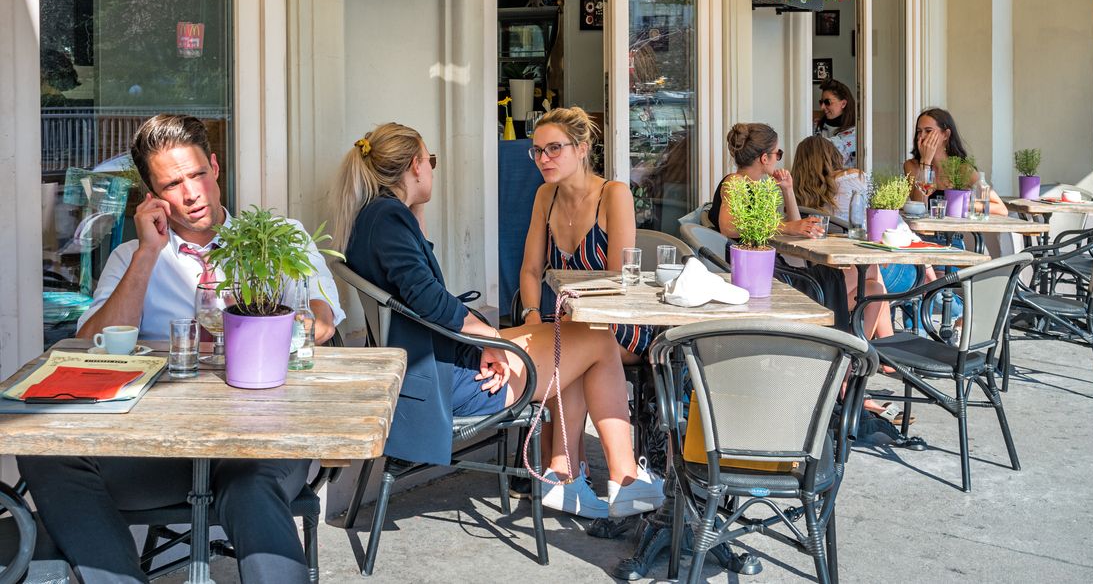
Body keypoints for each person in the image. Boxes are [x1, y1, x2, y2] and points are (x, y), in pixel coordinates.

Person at [19, 114, 345, 584]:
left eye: (197, 174)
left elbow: (323, 321)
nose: (192, 193)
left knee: (249, 487)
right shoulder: (131, 257)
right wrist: (148, 253)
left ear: (215, 167)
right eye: (173, 184)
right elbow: (90, 343)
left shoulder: (278, 238)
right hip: (164, 450)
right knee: (44, 453)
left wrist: (255, 323)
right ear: (152, 196)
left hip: (261, 445)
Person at [335, 122, 665, 521]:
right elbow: (425, 295)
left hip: (435, 362)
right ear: (416, 166)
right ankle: (623, 479)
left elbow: (419, 288)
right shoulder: (389, 219)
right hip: (448, 379)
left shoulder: (377, 216)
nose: (433, 170)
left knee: (575, 340)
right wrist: (488, 337)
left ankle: (564, 475)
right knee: (595, 340)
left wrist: (416, 206)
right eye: (430, 161)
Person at [517, 107, 640, 518]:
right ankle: (599, 477)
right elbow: (531, 270)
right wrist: (532, 315)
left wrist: (564, 324)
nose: (543, 158)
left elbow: (620, 279)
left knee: (577, 345)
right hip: (563, 322)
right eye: (537, 151)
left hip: (618, 323)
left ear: (583, 149)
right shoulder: (545, 196)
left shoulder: (613, 194)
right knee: (568, 343)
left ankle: (565, 469)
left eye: (554, 148)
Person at [791, 137, 900, 420]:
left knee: (873, 286)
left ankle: (853, 372)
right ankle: (861, 369)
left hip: (806, 279)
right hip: (812, 287)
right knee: (873, 278)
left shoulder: (796, 197)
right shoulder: (845, 185)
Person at [710, 123, 823, 242]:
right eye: (778, 153)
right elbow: (729, 227)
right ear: (764, 158)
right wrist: (786, 227)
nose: (778, 159)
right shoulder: (735, 182)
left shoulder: (757, 187)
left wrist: (788, 189)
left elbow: (797, 230)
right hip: (734, 253)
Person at [903, 108, 1007, 217]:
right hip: (923, 227)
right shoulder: (911, 166)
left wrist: (962, 203)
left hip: (953, 227)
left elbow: (1001, 208)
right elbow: (919, 207)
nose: (922, 136)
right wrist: (925, 163)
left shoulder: (961, 169)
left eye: (928, 131)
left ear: (946, 135)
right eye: (919, 131)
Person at [814, 79, 857, 165]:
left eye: (827, 102)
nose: (822, 107)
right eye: (821, 102)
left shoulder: (856, 132)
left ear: (843, 103)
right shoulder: (816, 127)